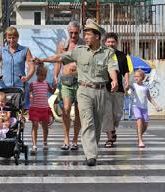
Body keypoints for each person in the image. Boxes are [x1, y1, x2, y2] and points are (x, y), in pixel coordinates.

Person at [33, 19, 119, 166]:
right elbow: (59, 57)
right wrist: (42, 59)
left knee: (97, 124)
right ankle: (90, 155)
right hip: (83, 90)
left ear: (97, 36)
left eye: (88, 34)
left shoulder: (108, 53)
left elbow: (112, 68)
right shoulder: (79, 51)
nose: (85, 37)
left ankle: (92, 148)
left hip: (100, 91)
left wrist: (114, 80)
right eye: (84, 34)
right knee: (88, 122)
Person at [53, 21, 83, 150]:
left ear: (79, 32)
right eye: (71, 32)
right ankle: (66, 138)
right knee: (65, 109)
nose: (73, 35)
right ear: (68, 31)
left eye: (76, 33)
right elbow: (58, 61)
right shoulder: (62, 45)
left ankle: (75, 139)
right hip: (66, 80)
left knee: (78, 111)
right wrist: (55, 75)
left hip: (81, 81)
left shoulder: (84, 45)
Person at [102, 32, 130, 148]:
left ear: (116, 43)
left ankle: (113, 128)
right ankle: (109, 137)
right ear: (105, 43)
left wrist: (127, 81)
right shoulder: (102, 55)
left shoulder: (122, 55)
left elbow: (125, 71)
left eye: (113, 42)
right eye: (108, 42)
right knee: (107, 114)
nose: (110, 44)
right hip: (105, 88)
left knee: (117, 114)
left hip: (119, 89)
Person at [128, 69, 162, 148]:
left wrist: (156, 105)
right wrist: (127, 87)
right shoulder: (133, 85)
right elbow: (128, 90)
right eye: (135, 76)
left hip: (144, 108)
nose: (136, 78)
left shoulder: (145, 87)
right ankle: (140, 140)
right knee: (139, 121)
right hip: (136, 106)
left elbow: (149, 98)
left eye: (138, 76)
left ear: (142, 77)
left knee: (145, 125)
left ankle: (139, 135)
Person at [29, 64, 56, 154]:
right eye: (41, 75)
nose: (43, 77)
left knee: (45, 128)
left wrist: (55, 85)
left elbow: (52, 91)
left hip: (44, 108)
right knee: (35, 126)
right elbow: (28, 93)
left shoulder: (46, 84)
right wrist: (30, 96)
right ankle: (34, 145)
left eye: (44, 75)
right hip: (35, 109)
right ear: (37, 74)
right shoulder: (33, 84)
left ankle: (45, 141)